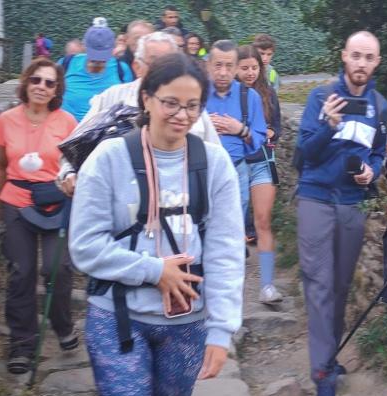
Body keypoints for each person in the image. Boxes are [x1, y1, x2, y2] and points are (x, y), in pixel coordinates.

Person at [69, 52, 243, 396]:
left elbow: (226, 249)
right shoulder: (108, 160)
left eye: (192, 106)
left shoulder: (212, 164)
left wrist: (222, 329)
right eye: (170, 103)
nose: (181, 115)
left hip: (186, 325)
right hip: (118, 317)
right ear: (145, 99)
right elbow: (85, 246)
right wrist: (153, 271)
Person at [295, 31, 387, 396]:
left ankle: (328, 357)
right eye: (356, 56)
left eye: (369, 57)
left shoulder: (379, 106)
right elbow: (304, 153)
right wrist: (328, 126)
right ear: (344, 56)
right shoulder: (320, 98)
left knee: (340, 286)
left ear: (376, 62)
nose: (361, 63)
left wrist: (372, 171)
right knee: (319, 283)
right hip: (315, 197)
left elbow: (380, 151)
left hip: (351, 202)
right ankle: (322, 374)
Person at [0, 58, 78, 375]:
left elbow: (74, 165)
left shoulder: (67, 122)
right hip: (16, 200)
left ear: (57, 90)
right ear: (26, 82)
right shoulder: (6, 120)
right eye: (36, 80)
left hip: (55, 201)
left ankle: (62, 324)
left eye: (49, 82)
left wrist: (72, 183)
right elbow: (1, 166)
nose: (41, 87)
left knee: (58, 269)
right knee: (21, 272)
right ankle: (22, 344)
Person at [58, 31, 221, 195]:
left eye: (169, 65)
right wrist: (68, 174)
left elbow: (216, 162)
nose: (163, 72)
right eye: (154, 63)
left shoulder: (191, 108)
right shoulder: (113, 98)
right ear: (137, 67)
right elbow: (75, 146)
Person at [205, 40, 267, 239]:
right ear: (208, 65)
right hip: (202, 171)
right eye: (218, 65)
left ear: (235, 68)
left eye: (229, 66)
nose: (223, 72)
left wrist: (240, 130)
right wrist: (202, 125)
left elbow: (259, 138)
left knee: (234, 226)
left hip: (236, 171)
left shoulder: (249, 97)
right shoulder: (197, 94)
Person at [236, 45, 284, 304]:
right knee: (232, 225)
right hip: (236, 164)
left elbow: (277, 126)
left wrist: (272, 133)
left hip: (263, 162)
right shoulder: (229, 94)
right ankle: (232, 287)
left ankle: (267, 286)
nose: (250, 73)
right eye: (244, 68)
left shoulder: (268, 93)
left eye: (254, 68)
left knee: (263, 221)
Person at [61, 21, 136, 121]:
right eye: (93, 54)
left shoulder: (121, 69)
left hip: (106, 129)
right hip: (66, 129)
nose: (97, 60)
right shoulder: (67, 63)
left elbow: (129, 105)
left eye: (102, 56)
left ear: (112, 49)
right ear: (84, 46)